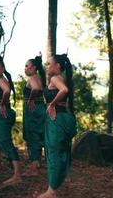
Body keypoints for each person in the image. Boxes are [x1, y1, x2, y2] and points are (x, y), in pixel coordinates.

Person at [38, 54, 77, 198]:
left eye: (49, 64)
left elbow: (64, 91)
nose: (46, 66)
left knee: (54, 153)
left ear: (58, 66)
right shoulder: (60, 78)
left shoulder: (55, 78)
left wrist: (52, 104)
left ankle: (51, 191)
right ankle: (52, 188)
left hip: (57, 119)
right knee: (57, 152)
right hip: (58, 118)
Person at [0, 56, 22, 187]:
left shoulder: (1, 80)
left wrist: (2, 104)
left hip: (2, 112)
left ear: (2, 68)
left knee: (5, 142)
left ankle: (17, 176)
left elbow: (7, 91)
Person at [22, 55, 46, 176]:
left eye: (27, 66)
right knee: (38, 134)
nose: (25, 68)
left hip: (33, 109)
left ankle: (33, 168)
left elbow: (35, 88)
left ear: (34, 67)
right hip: (40, 108)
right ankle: (37, 163)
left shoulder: (32, 78)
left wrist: (30, 99)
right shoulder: (39, 77)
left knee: (32, 135)